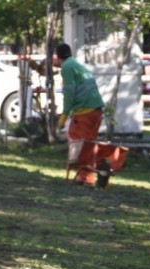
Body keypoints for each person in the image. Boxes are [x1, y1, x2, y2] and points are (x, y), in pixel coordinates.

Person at [56, 43, 105, 186]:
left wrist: (64, 115)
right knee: (89, 144)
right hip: (97, 109)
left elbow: (69, 92)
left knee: (79, 143)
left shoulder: (66, 68)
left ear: (58, 57)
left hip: (84, 111)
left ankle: (83, 177)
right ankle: (89, 176)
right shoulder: (76, 64)